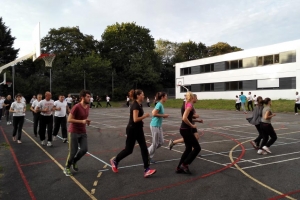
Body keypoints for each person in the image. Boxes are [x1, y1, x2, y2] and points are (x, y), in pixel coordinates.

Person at [110, 89, 156, 178]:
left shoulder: (139, 104)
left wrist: (141, 121)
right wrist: (145, 116)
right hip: (132, 130)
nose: (143, 96)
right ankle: (115, 161)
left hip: (138, 129)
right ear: (138, 96)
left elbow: (135, 118)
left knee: (144, 148)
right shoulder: (135, 105)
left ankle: (147, 169)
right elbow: (135, 119)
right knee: (128, 150)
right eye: (142, 95)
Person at [64, 90, 91, 176]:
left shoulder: (87, 106)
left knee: (84, 149)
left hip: (82, 131)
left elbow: (84, 118)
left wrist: (86, 121)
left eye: (89, 96)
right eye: (88, 96)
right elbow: (69, 119)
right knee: (73, 151)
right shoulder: (76, 107)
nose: (89, 98)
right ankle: (67, 167)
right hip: (74, 131)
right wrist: (82, 121)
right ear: (82, 97)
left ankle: (74, 161)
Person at [176, 91, 201, 174]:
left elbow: (188, 118)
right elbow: (184, 118)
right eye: (195, 97)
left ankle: (179, 167)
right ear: (192, 98)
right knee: (197, 148)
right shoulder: (189, 106)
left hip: (184, 129)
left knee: (188, 149)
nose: (196, 98)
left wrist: (197, 120)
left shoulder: (186, 104)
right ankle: (185, 164)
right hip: (186, 129)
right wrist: (192, 125)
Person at [148, 92, 169, 163]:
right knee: (155, 143)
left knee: (161, 142)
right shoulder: (159, 104)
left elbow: (154, 112)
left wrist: (163, 116)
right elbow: (154, 113)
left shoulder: (161, 105)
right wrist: (163, 115)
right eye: (166, 96)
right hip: (155, 125)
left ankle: (147, 152)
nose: (167, 98)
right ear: (162, 97)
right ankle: (148, 155)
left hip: (159, 125)